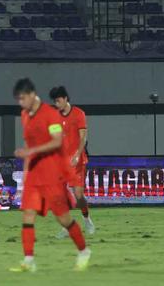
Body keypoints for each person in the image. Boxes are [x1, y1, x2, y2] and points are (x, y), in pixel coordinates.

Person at [9, 78, 90, 273]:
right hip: (35, 174)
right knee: (28, 214)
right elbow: (29, 145)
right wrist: (26, 174)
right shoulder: (24, 115)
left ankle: (83, 250)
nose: (21, 103)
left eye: (22, 99)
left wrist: (31, 152)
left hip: (52, 174)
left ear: (31, 95)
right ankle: (28, 260)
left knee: (64, 219)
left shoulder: (51, 115)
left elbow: (56, 142)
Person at [50, 86, 94, 236]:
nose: (57, 104)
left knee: (78, 195)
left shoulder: (78, 114)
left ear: (65, 98)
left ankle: (87, 219)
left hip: (78, 161)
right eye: (55, 102)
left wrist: (76, 155)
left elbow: (83, 137)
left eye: (58, 100)